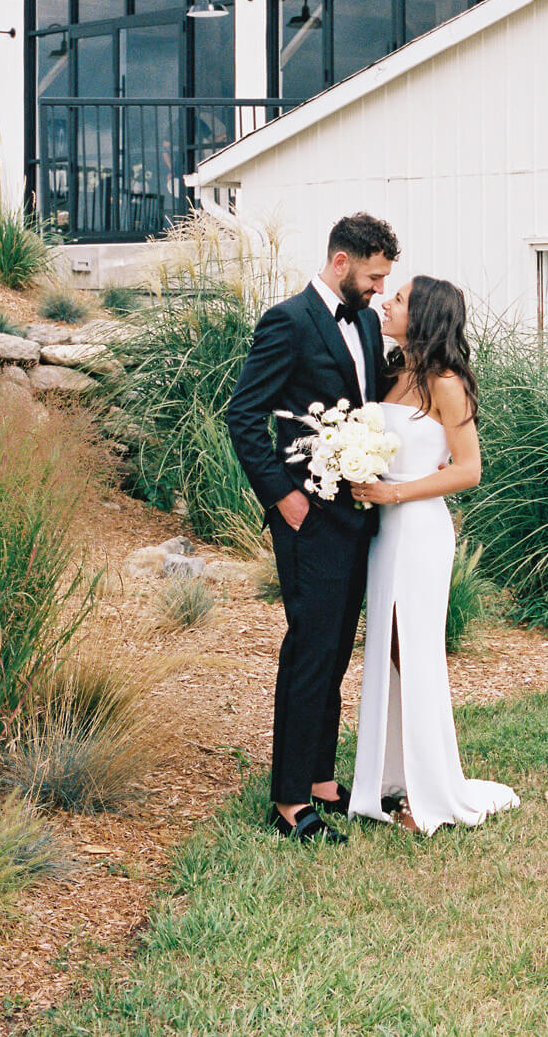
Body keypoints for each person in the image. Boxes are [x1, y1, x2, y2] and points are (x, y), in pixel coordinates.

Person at [226, 212, 400, 843]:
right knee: (309, 650)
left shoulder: (368, 321)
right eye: (374, 276)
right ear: (341, 263)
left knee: (333, 654)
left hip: (356, 515)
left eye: (385, 280)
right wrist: (284, 501)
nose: (379, 289)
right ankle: (290, 800)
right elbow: (243, 416)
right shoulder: (288, 322)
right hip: (308, 518)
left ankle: (323, 779)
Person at [348, 275, 520, 835]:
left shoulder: (448, 382)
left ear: (422, 314)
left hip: (419, 530)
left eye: (398, 299)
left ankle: (430, 797)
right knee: (390, 652)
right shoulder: (395, 372)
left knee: (415, 653)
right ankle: (392, 776)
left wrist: (395, 491)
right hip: (383, 530)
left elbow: (469, 470)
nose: (386, 302)